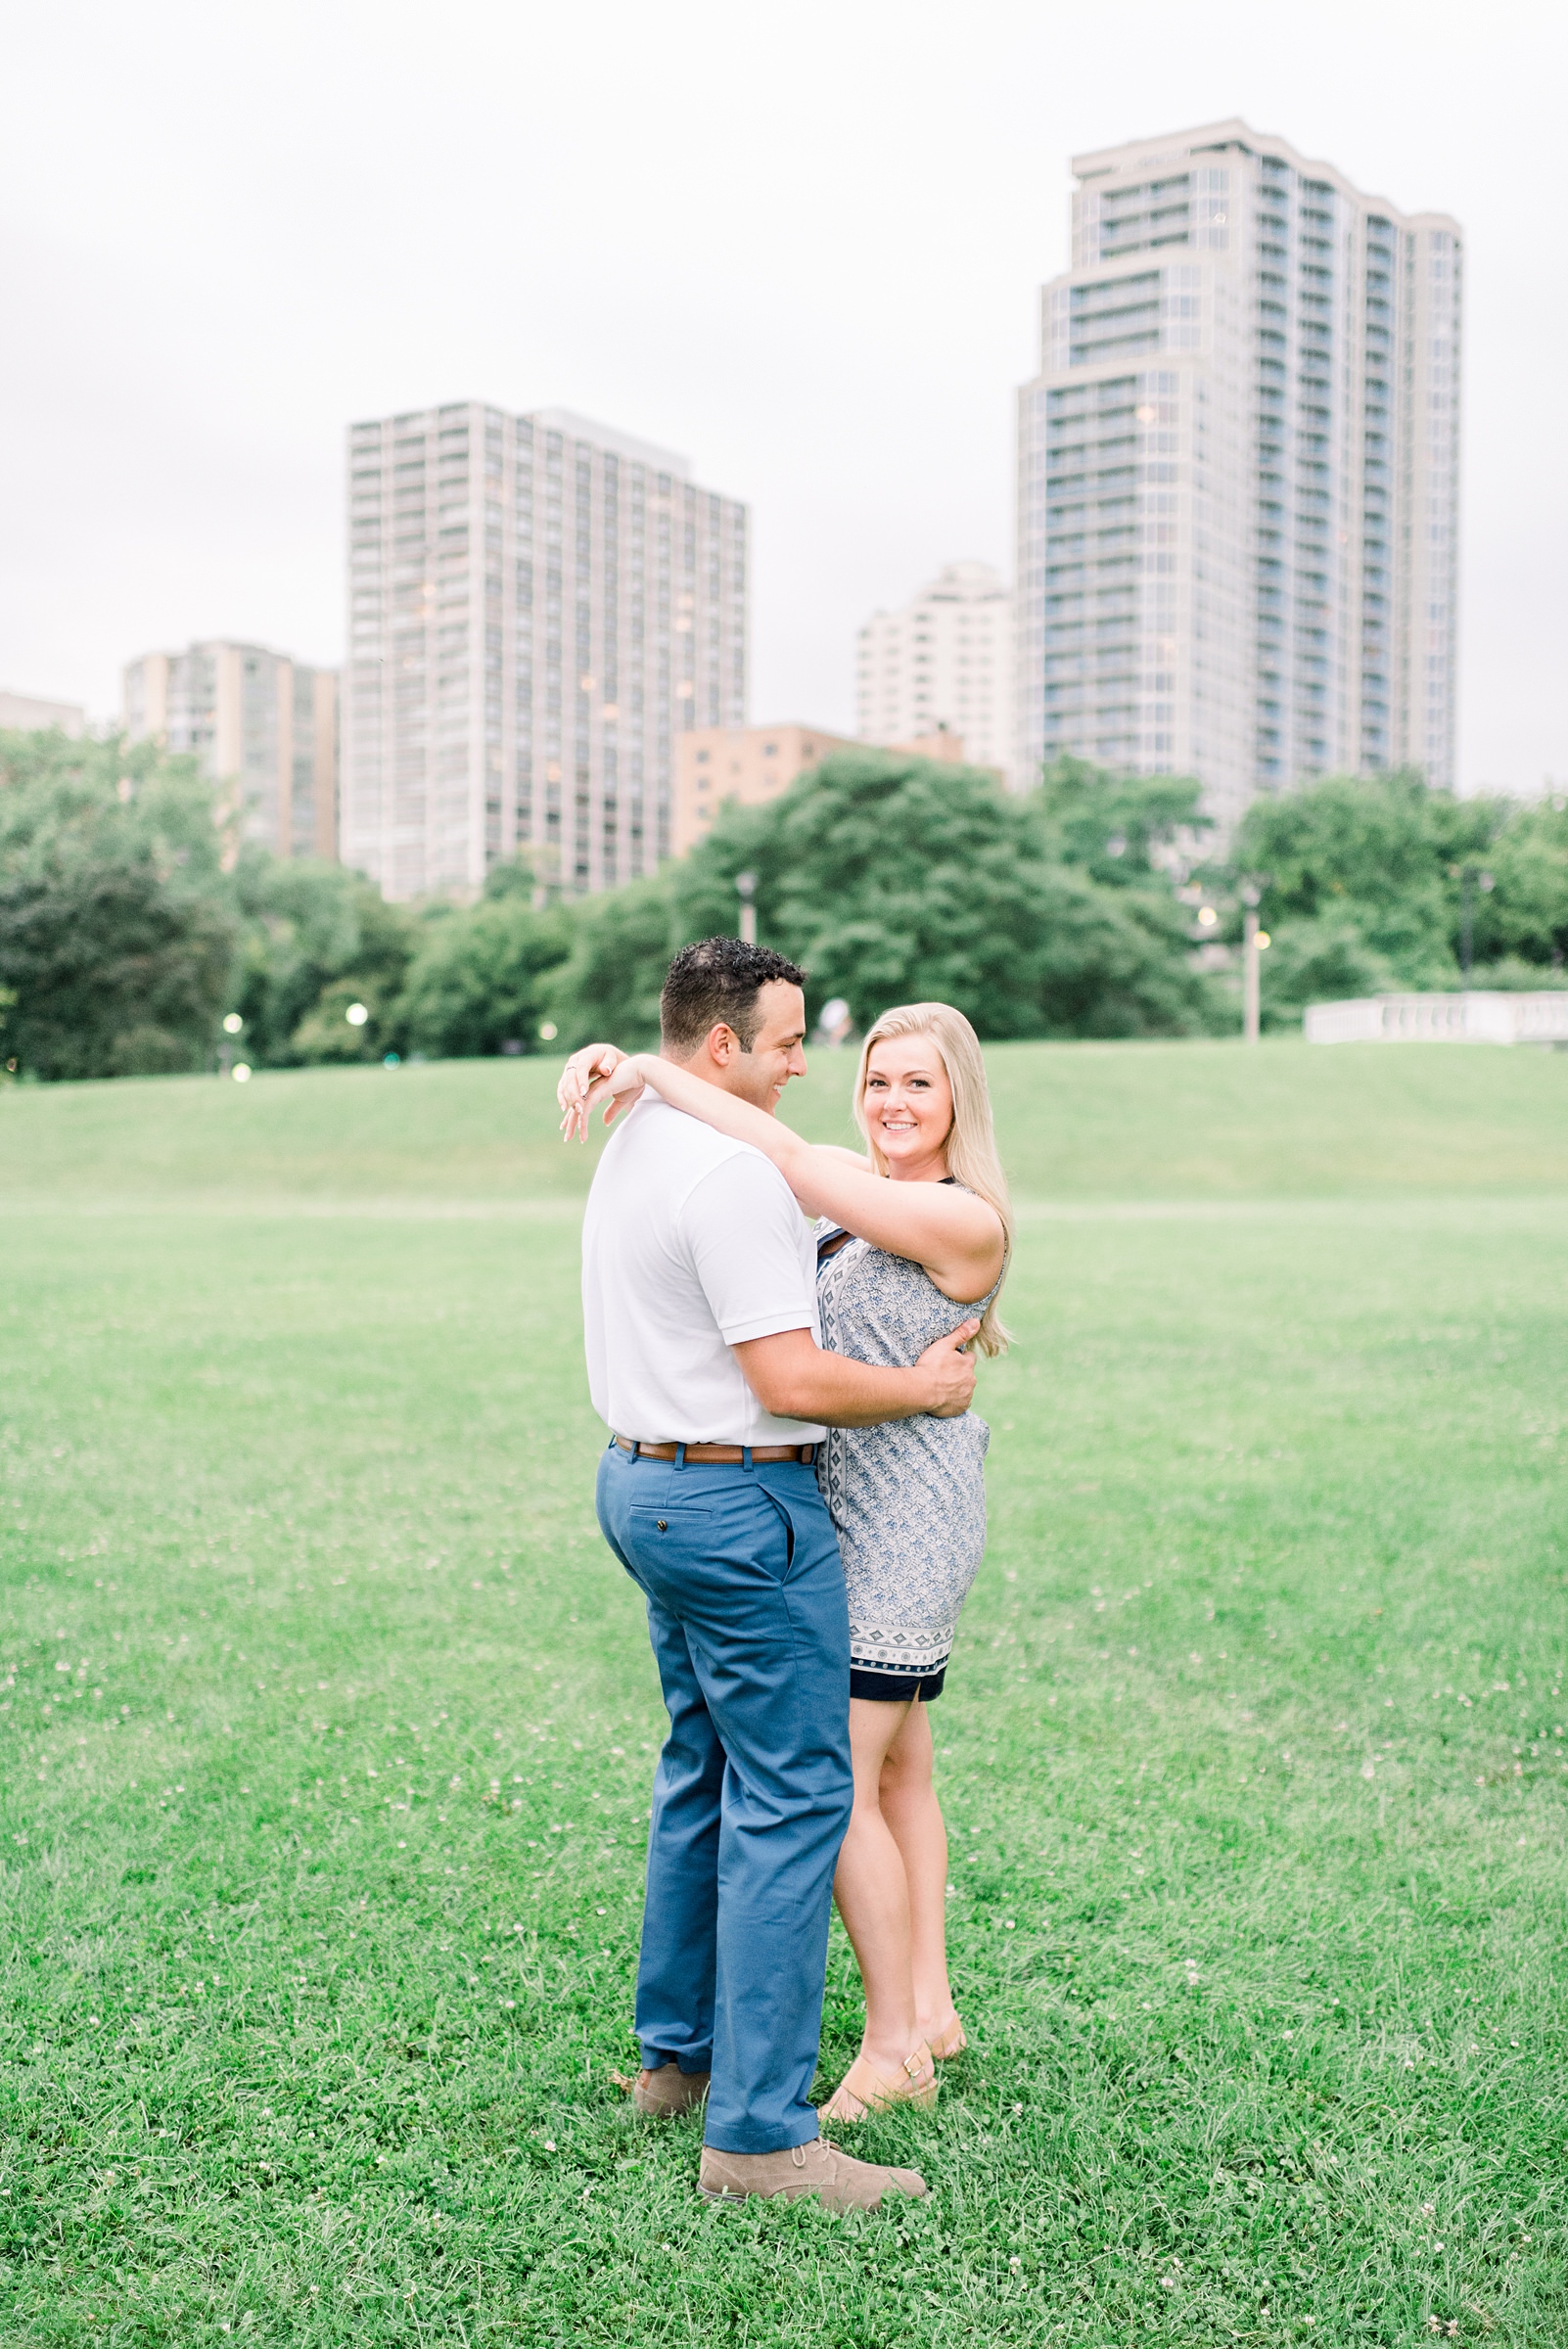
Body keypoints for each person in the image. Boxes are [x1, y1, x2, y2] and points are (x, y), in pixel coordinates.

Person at [569, 939, 980, 2210]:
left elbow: (806, 1175)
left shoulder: (642, 1139)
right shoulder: (738, 1174)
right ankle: (756, 2136)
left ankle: (678, 2064)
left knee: (703, 1765)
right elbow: (792, 1383)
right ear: (722, 1048)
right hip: (740, 1505)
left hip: (642, 1483)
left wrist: (635, 1070)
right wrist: (918, 1387)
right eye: (792, 1042)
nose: (810, 1063)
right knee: (798, 1798)